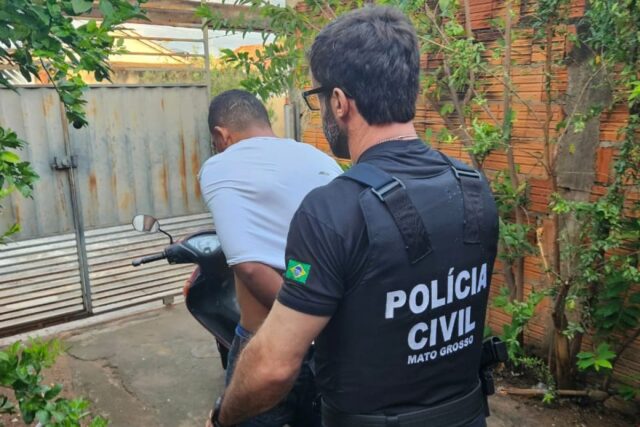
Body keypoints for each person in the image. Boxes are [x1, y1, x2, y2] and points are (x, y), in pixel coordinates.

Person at [208, 7, 499, 427]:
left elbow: (272, 368)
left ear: (340, 102)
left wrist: (222, 417)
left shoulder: (333, 210)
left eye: (319, 99)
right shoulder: (473, 188)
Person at [199, 89, 343, 426]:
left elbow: (249, 266)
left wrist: (297, 328)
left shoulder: (220, 166)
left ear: (221, 135)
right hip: (330, 346)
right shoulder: (320, 159)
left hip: (266, 341)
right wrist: (319, 330)